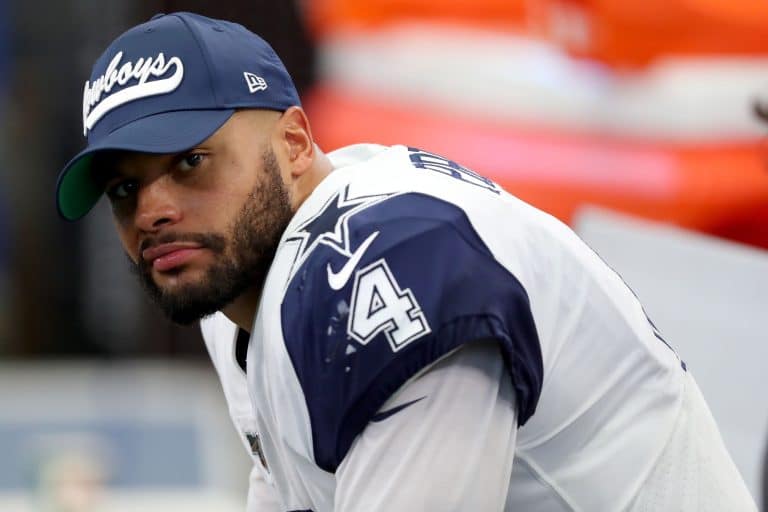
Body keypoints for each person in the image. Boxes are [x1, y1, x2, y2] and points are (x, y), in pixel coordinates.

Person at [56, 12, 757, 512]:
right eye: (125, 189)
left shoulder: (385, 260)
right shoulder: (236, 285)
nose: (153, 211)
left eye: (191, 161)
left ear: (296, 144)